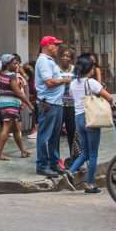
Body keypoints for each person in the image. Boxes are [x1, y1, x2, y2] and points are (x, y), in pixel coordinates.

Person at [65, 54, 114, 193]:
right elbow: (108, 97)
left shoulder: (73, 83)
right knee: (93, 154)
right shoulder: (91, 83)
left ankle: (70, 171)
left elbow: (71, 97)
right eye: (93, 67)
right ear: (89, 68)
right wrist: (111, 103)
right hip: (91, 119)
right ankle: (90, 184)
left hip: (78, 119)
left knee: (85, 152)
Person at [34, 36, 72, 177]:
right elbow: (49, 82)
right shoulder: (44, 61)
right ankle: (42, 165)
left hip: (56, 103)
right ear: (47, 46)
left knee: (54, 136)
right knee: (44, 136)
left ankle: (54, 163)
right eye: (55, 45)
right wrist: (65, 80)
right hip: (48, 103)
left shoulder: (50, 61)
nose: (57, 48)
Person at [0, 54, 33, 160]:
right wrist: (30, 104)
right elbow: (19, 93)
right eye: (14, 63)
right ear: (7, 64)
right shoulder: (11, 76)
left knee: (16, 130)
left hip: (4, 102)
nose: (17, 65)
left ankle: (23, 151)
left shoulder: (1, 73)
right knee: (6, 128)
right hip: (10, 104)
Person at [57, 46, 76, 168]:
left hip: (72, 105)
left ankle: (74, 158)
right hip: (59, 104)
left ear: (71, 58)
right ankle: (56, 159)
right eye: (63, 55)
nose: (65, 58)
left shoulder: (75, 70)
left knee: (72, 132)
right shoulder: (56, 69)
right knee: (57, 132)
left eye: (68, 56)